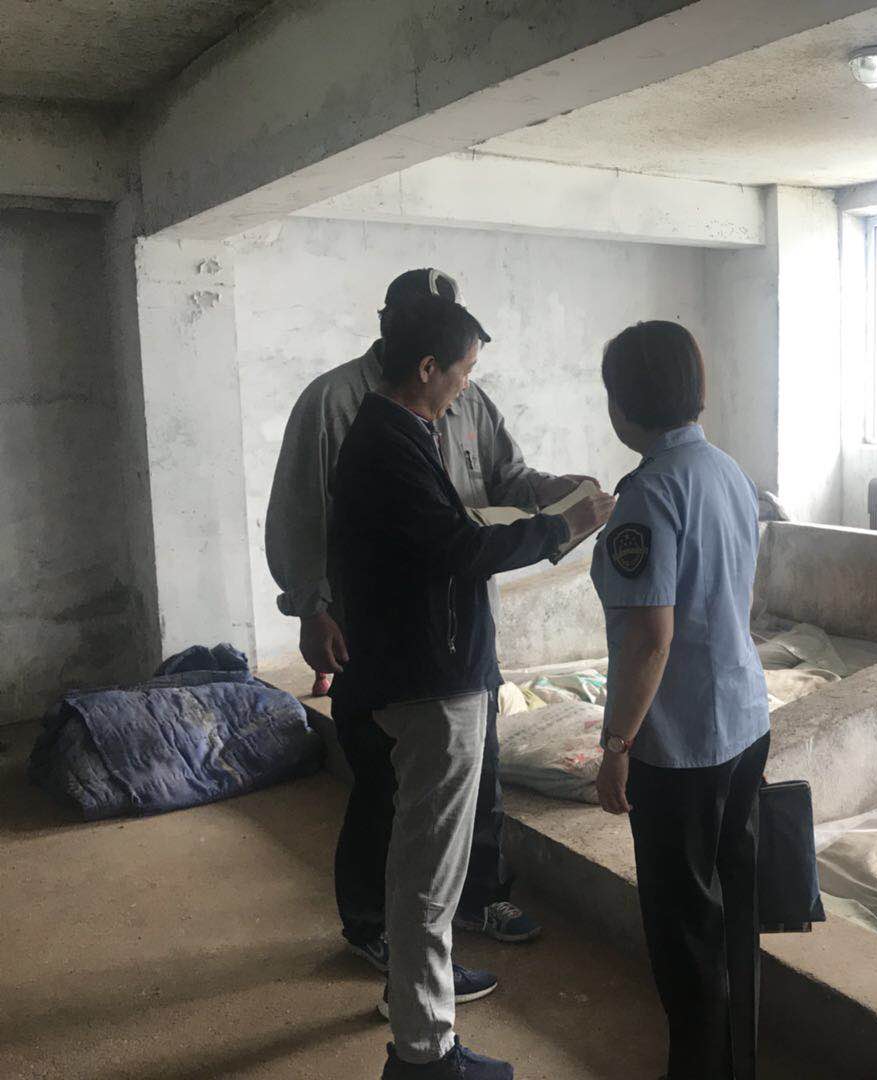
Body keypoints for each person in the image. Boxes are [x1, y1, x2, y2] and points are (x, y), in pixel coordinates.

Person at [266, 268, 594, 968]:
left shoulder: (464, 395)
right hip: (383, 631)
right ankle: (375, 926)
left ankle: (476, 896)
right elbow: (303, 515)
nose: (463, 375)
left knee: (477, 769)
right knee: (387, 786)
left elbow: (506, 479)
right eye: (454, 355)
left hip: (460, 631)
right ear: (405, 336)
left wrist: (557, 493)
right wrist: (312, 609)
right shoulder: (341, 404)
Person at [331, 293, 615, 1079]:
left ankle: (420, 1029)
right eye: (463, 370)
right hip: (430, 682)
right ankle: (425, 1056)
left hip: (420, 668)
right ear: (427, 368)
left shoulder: (397, 432)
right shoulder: (389, 441)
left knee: (420, 866)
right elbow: (457, 549)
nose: (467, 385)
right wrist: (563, 529)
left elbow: (450, 533)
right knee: (429, 878)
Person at [590, 321, 772, 1080]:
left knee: (685, 932)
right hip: (743, 720)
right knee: (733, 917)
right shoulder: (727, 470)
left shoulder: (647, 495)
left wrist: (616, 747)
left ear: (626, 402)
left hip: (682, 745)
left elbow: (649, 640)